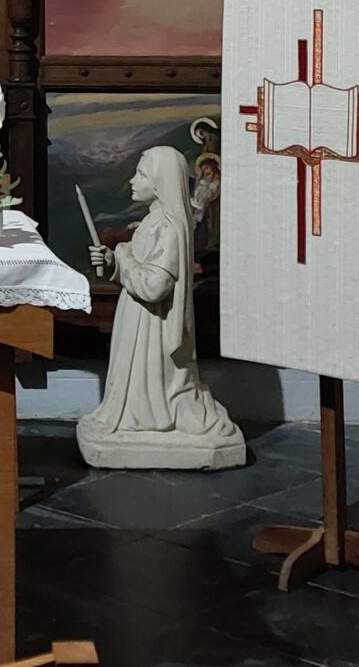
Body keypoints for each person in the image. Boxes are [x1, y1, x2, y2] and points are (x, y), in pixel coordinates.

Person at [75, 145, 244, 469]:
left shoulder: (168, 229)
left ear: (160, 181)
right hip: (138, 320)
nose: (133, 181)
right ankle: (134, 416)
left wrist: (122, 256)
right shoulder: (151, 222)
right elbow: (138, 270)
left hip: (152, 327)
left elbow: (154, 287)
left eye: (141, 174)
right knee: (136, 381)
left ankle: (148, 419)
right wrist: (112, 261)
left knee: (151, 382)